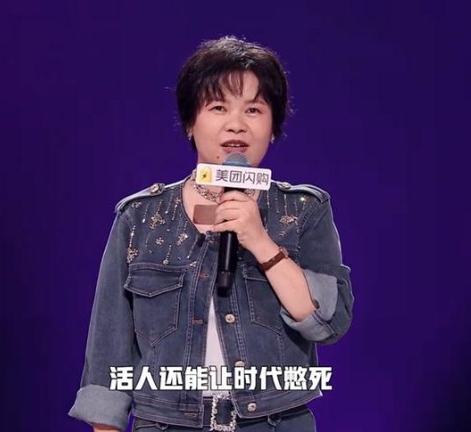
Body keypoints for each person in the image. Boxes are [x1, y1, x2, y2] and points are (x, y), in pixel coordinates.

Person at [69, 36, 354, 432]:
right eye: (218, 107)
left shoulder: (303, 210)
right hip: (167, 424)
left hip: (274, 423)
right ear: (191, 122)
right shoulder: (141, 217)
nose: (236, 124)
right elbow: (108, 352)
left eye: (253, 109)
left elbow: (328, 322)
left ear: (273, 127)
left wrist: (260, 241)